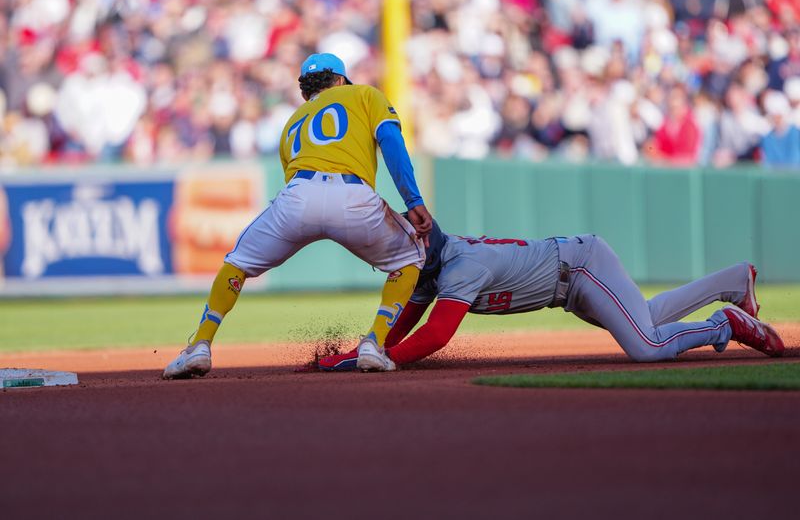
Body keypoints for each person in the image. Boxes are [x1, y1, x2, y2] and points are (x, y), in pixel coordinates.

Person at [163, 53, 432, 379]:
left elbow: (295, 178)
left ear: (306, 91)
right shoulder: (363, 93)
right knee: (409, 259)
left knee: (237, 264)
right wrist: (412, 199)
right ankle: (373, 343)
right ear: (339, 80)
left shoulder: (293, 122)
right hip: (352, 195)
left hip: (298, 196)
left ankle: (200, 345)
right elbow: (391, 141)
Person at [319, 219, 784, 371]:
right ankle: (733, 280)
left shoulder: (460, 266)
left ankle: (724, 323)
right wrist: (359, 354)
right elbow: (400, 325)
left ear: (424, 248)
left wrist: (387, 361)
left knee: (647, 347)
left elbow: (437, 334)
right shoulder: (430, 268)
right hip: (568, 283)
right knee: (646, 319)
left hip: (581, 267)